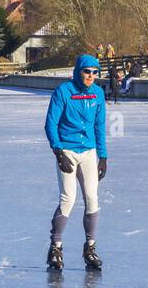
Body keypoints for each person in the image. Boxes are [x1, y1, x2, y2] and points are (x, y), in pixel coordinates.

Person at [44, 54, 108, 272]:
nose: (90, 76)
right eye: (86, 71)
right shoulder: (63, 92)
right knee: (68, 198)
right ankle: (56, 247)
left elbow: (99, 126)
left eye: (94, 72)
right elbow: (50, 123)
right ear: (78, 71)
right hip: (67, 151)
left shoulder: (98, 94)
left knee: (92, 198)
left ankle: (90, 247)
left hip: (89, 152)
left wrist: (104, 156)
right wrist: (58, 151)